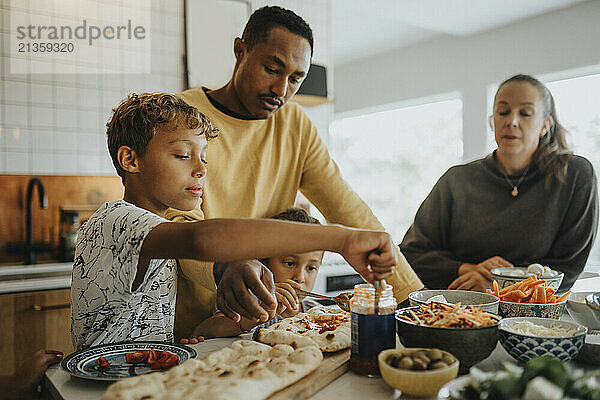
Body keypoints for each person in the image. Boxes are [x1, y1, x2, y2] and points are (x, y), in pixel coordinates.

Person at [167, 5, 423, 338]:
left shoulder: (295, 125)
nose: (282, 89)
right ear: (239, 51)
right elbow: (176, 224)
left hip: (263, 326)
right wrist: (222, 265)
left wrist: (415, 301)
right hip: (193, 329)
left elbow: (347, 209)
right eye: (272, 69)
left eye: (295, 78)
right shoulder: (181, 116)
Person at [70, 92, 398, 350]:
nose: (201, 169)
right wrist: (340, 239)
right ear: (131, 159)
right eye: (183, 155)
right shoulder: (116, 220)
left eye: (204, 157)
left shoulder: (158, 229)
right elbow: (203, 240)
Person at [400, 74, 598, 292]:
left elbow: (567, 267)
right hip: (459, 309)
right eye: (503, 112)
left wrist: (499, 287)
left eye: (525, 113)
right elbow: (410, 254)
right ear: (492, 121)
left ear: (545, 125)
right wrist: (466, 269)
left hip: (536, 320)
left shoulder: (576, 175)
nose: (511, 121)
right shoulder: (456, 180)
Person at [194, 208, 324, 338]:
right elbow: (203, 331)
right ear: (264, 262)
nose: (300, 278)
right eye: (289, 263)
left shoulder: (318, 313)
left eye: (311, 268)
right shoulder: (244, 297)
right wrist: (258, 315)